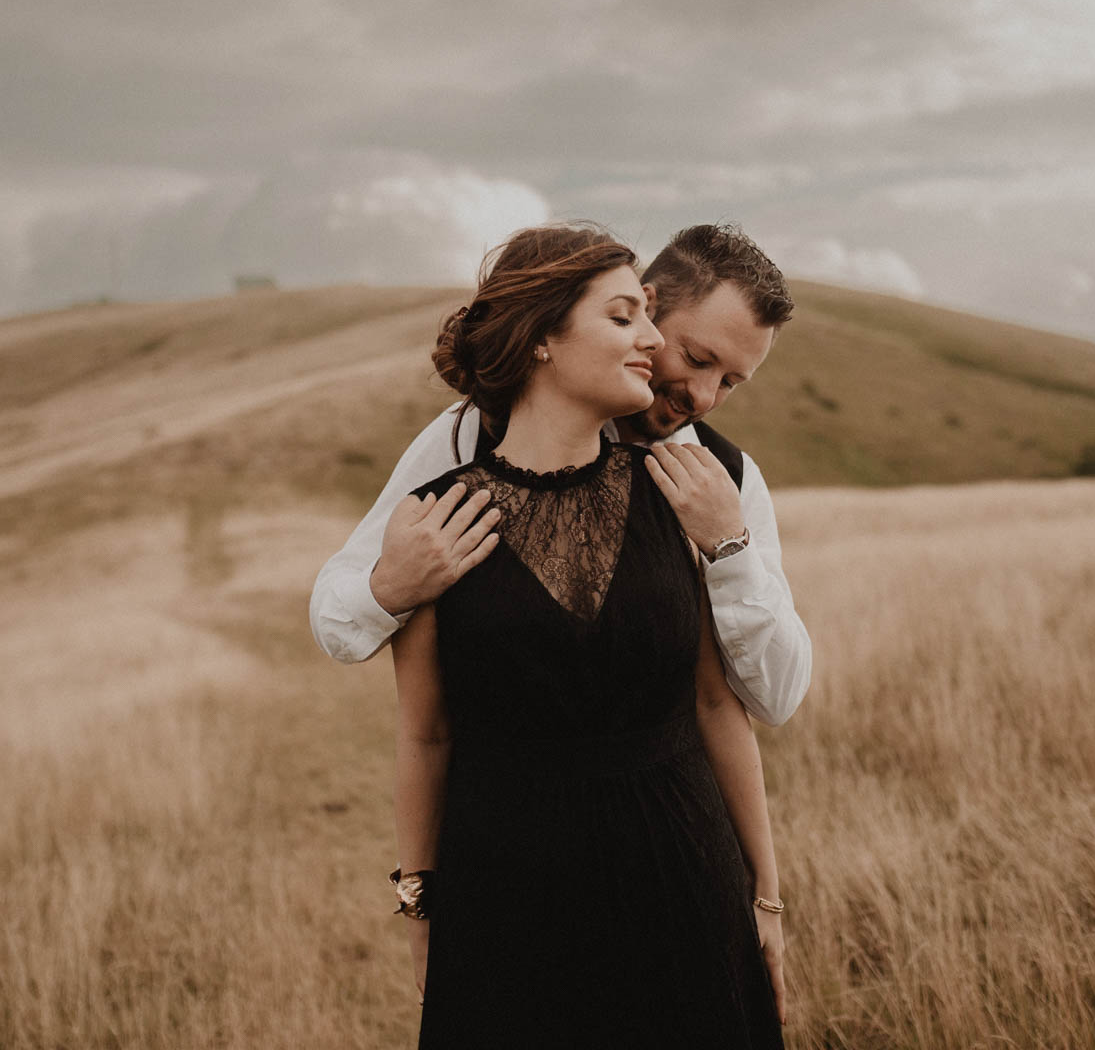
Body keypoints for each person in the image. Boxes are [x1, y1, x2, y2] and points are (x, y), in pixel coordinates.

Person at [390, 223, 786, 1046]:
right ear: (542, 337)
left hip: (683, 874)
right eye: (624, 317)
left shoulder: (685, 493)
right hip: (505, 893)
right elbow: (424, 734)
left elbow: (722, 705)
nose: (653, 344)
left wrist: (768, 897)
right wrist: (419, 907)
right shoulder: (434, 511)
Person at [309, 223, 810, 728]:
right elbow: (336, 622)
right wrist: (391, 587)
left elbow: (778, 699)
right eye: (696, 359)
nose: (702, 396)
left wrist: (730, 548)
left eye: (729, 382)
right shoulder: (470, 437)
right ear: (646, 309)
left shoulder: (730, 477)